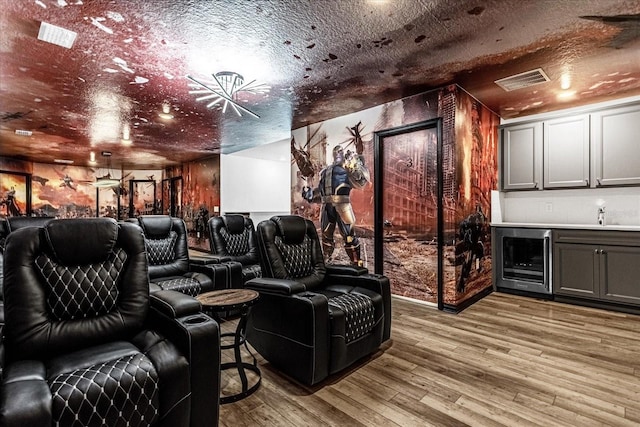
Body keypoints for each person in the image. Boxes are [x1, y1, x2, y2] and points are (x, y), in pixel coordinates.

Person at [302, 141, 369, 265]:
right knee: (326, 236)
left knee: (349, 236)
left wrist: (356, 164)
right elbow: (321, 191)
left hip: (343, 204)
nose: (338, 154)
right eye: (336, 152)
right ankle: (326, 260)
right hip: (327, 206)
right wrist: (309, 195)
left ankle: (356, 263)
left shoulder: (348, 168)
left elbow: (361, 181)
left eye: (340, 152)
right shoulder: (325, 171)